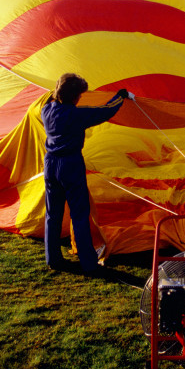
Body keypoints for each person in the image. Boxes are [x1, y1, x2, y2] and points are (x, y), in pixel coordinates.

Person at [41, 73, 132, 274]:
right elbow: (104, 112)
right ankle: (88, 263)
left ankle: (53, 259)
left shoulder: (46, 109)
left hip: (50, 163)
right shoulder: (76, 115)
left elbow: (51, 96)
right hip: (70, 164)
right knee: (80, 214)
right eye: (80, 95)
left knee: (52, 214)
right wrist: (120, 96)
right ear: (75, 96)